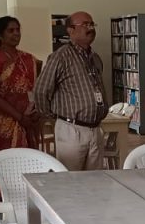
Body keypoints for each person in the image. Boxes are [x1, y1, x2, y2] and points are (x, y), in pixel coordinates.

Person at [32, 11, 107, 171]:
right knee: (71, 179)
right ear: (70, 30)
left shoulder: (95, 58)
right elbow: (41, 91)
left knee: (96, 179)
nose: (90, 28)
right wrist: (53, 116)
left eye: (92, 24)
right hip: (71, 129)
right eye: (85, 24)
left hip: (96, 128)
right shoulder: (60, 57)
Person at [0, 15, 39, 152]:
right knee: (8, 159)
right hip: (5, 121)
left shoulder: (27, 58)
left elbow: (35, 87)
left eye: (18, 30)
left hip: (29, 118)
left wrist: (35, 111)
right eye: (11, 30)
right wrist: (19, 117)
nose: (16, 34)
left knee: (30, 159)